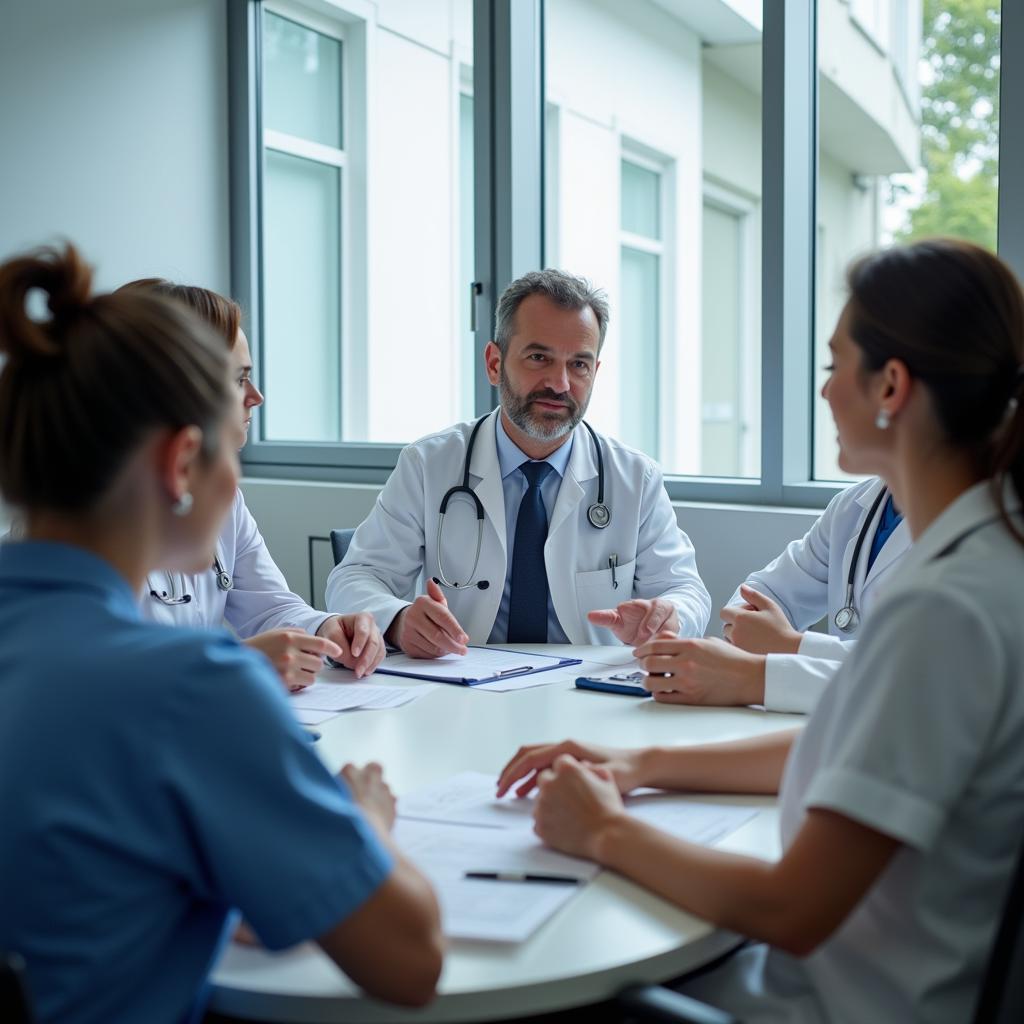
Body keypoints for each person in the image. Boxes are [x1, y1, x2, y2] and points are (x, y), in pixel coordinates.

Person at [496, 238, 1024, 1022]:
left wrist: (605, 831)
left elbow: (791, 909)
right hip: (867, 975)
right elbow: (852, 740)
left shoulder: (944, 607)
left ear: (890, 385)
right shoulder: (987, 558)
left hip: (833, 1004)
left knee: (546, 981)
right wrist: (638, 761)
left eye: (833, 362)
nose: (822, 390)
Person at [0, 245, 443, 1023]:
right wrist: (363, 820)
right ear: (182, 462)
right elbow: (411, 961)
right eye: (232, 434)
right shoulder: (190, 688)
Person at [326, 269, 711, 657]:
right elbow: (356, 577)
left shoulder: (634, 478)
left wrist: (669, 614)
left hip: (588, 695)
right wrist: (398, 620)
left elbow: (686, 590)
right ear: (495, 363)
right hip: (459, 688)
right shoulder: (429, 464)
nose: (560, 383)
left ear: (595, 372)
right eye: (539, 357)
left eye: (578, 364)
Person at [121, 279, 385, 690]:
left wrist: (327, 628)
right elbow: (86, 681)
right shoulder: (84, 519)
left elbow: (268, 607)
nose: (257, 397)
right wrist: (232, 663)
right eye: (240, 379)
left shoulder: (220, 502)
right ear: (181, 388)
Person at [641, 477, 910, 713]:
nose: (833, 416)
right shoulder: (854, 506)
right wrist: (750, 625)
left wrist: (788, 645)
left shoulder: (949, 526)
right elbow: (767, 591)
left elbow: (913, 673)